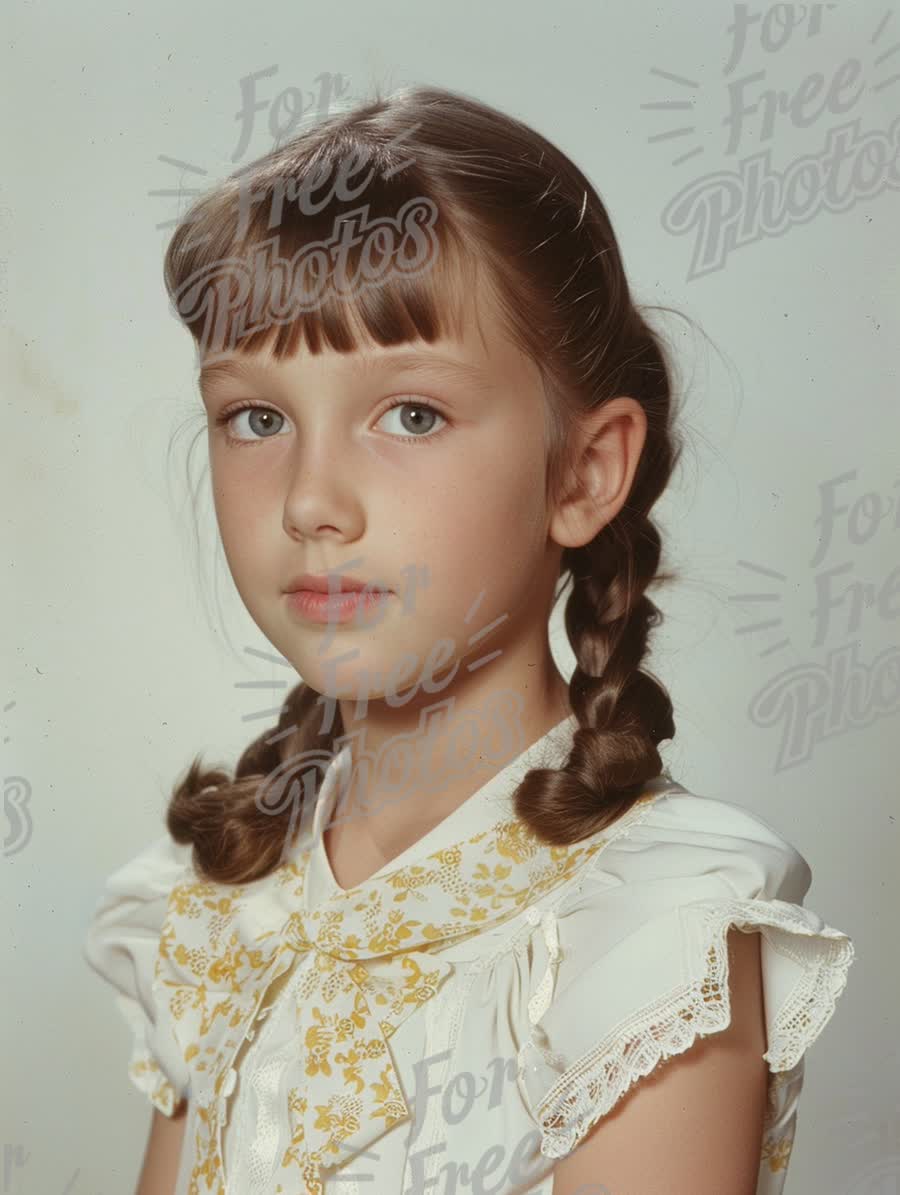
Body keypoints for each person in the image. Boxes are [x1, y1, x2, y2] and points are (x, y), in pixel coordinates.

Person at [82, 83, 855, 1195]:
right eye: (258, 418)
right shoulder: (216, 901)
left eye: (411, 414)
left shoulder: (643, 933)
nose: (310, 501)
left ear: (585, 472)